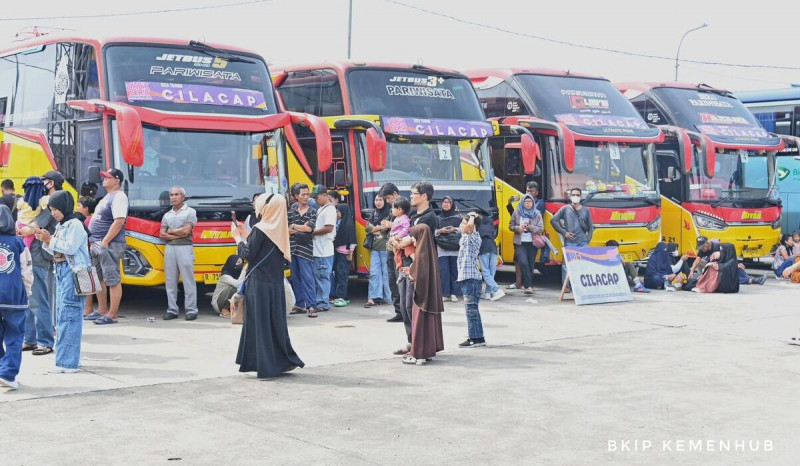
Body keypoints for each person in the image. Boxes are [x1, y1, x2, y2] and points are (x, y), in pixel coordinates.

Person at [231, 193, 304, 378]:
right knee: (274, 323)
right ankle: (280, 361)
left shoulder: (261, 228)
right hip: (275, 283)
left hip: (259, 283)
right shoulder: (280, 229)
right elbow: (263, 248)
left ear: (267, 207)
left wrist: (238, 238)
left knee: (259, 323)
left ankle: (264, 364)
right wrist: (246, 234)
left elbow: (248, 253)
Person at [36, 190, 90, 374]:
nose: (53, 213)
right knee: (62, 315)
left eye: (55, 208)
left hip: (72, 272)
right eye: (51, 209)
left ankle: (67, 363)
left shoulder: (74, 224)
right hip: (61, 270)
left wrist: (49, 239)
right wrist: (45, 241)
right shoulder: (63, 224)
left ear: (64, 206)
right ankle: (67, 359)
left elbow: (70, 248)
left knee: (69, 315)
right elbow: (57, 252)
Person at [19, 170, 61, 355]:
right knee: (30, 299)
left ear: (50, 183)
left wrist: (23, 227)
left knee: (39, 300)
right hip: (33, 257)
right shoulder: (43, 203)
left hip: (38, 258)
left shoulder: (52, 205)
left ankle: (45, 341)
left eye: (43, 181)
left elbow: (33, 227)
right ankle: (30, 339)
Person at [87, 169, 128, 325]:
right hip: (97, 243)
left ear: (116, 180)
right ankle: (102, 310)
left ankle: (112, 314)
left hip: (109, 244)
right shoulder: (107, 197)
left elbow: (119, 221)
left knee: (112, 279)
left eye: (107, 177)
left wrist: (105, 241)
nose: (103, 179)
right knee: (98, 278)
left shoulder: (119, 197)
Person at [400, 224, 445, 365]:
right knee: (427, 325)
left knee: (419, 324)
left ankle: (418, 355)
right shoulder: (429, 251)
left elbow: (419, 275)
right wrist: (411, 270)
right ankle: (426, 353)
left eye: (414, 236)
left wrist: (411, 274)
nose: (413, 240)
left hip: (422, 297)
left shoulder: (421, 252)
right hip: (429, 295)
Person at [0, 205, 34, 390]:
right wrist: (27, 292)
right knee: (14, 335)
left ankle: (1, 369)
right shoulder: (18, 242)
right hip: (13, 297)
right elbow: (27, 271)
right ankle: (8, 373)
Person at [160, 187, 198, 321]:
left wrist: (171, 232)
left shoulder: (190, 212)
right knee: (170, 281)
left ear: (183, 196)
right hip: (170, 249)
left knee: (188, 280)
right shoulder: (167, 215)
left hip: (185, 248)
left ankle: (191, 310)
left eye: (176, 194)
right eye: (171, 195)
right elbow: (161, 234)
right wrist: (178, 233)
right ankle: (172, 310)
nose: (173, 197)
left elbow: (186, 232)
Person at [551, 187, 594, 289]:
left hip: (582, 242)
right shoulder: (565, 209)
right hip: (570, 242)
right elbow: (553, 220)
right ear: (570, 197)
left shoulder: (585, 210)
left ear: (580, 196)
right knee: (567, 265)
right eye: (573, 195)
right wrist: (564, 232)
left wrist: (588, 239)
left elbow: (591, 227)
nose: (575, 197)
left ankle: (581, 286)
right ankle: (566, 286)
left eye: (577, 195)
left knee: (583, 265)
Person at [456, 213, 486, 348]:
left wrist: (472, 216)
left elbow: (469, 227)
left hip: (471, 278)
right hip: (467, 277)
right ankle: (477, 337)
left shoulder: (472, 236)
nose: (461, 226)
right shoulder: (465, 236)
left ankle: (474, 338)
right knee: (472, 309)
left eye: (463, 223)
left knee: (471, 309)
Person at [287, 183, 317, 317]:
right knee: (295, 278)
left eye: (307, 194)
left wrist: (294, 227)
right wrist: (299, 228)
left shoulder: (312, 211)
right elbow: (286, 230)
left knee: (308, 277)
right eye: (303, 194)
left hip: (305, 249)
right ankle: (300, 304)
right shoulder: (290, 212)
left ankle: (311, 305)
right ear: (296, 196)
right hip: (292, 248)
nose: (306, 197)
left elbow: (309, 229)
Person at [378, 184, 404, 323]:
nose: (387, 201)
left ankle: (405, 311)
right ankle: (398, 311)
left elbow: (407, 227)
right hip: (389, 249)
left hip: (400, 251)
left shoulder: (405, 206)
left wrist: (391, 225)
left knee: (401, 282)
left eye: (388, 198)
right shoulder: (391, 210)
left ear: (395, 194)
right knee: (392, 282)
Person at [510, 193, 545, 295]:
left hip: (532, 243)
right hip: (520, 242)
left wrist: (529, 227)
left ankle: (528, 285)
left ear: (533, 203)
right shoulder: (517, 212)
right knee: (523, 262)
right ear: (522, 202)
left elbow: (540, 228)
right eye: (526, 201)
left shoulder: (537, 214)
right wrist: (518, 228)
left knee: (530, 264)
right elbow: (511, 225)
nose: (528, 204)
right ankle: (528, 286)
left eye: (530, 202)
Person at [310, 184, 336, 314]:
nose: (315, 200)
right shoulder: (321, 208)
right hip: (318, 249)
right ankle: (319, 301)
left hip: (324, 250)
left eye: (317, 197)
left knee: (323, 277)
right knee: (318, 277)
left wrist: (312, 232)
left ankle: (323, 302)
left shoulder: (330, 209)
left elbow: (329, 227)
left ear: (325, 195)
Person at [365, 194, 391, 308]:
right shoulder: (374, 214)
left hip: (386, 248)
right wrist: (380, 228)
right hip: (375, 248)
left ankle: (389, 297)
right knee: (374, 273)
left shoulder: (390, 213)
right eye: (376, 200)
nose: (378, 202)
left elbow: (387, 229)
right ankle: (374, 297)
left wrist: (375, 229)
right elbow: (368, 228)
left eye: (380, 200)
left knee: (387, 273)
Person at [435, 196, 461, 303]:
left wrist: (455, 229)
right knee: (444, 271)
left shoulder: (458, 218)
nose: (445, 204)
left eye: (448, 202)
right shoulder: (438, 218)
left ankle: (454, 293)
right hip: (442, 248)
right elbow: (433, 231)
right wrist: (441, 231)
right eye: (444, 202)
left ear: (452, 204)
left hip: (455, 248)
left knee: (454, 271)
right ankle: (445, 293)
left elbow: (464, 229)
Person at [331, 203, 355, 307]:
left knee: (342, 275)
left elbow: (352, 241)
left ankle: (342, 297)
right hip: (338, 252)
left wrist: (350, 254)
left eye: (338, 211)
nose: (336, 213)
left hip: (344, 254)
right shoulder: (340, 222)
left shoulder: (348, 224)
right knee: (338, 274)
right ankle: (339, 296)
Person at [77, 196, 98, 318]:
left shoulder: (87, 220)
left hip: (87, 253)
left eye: (79, 206)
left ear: (86, 208)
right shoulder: (86, 219)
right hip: (87, 252)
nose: (77, 208)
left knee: (86, 281)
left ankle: (88, 308)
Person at [478, 211, 504, 301]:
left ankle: (497, 289)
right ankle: (488, 293)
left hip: (483, 248)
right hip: (493, 248)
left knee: (485, 272)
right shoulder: (490, 226)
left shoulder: (478, 226)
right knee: (491, 272)